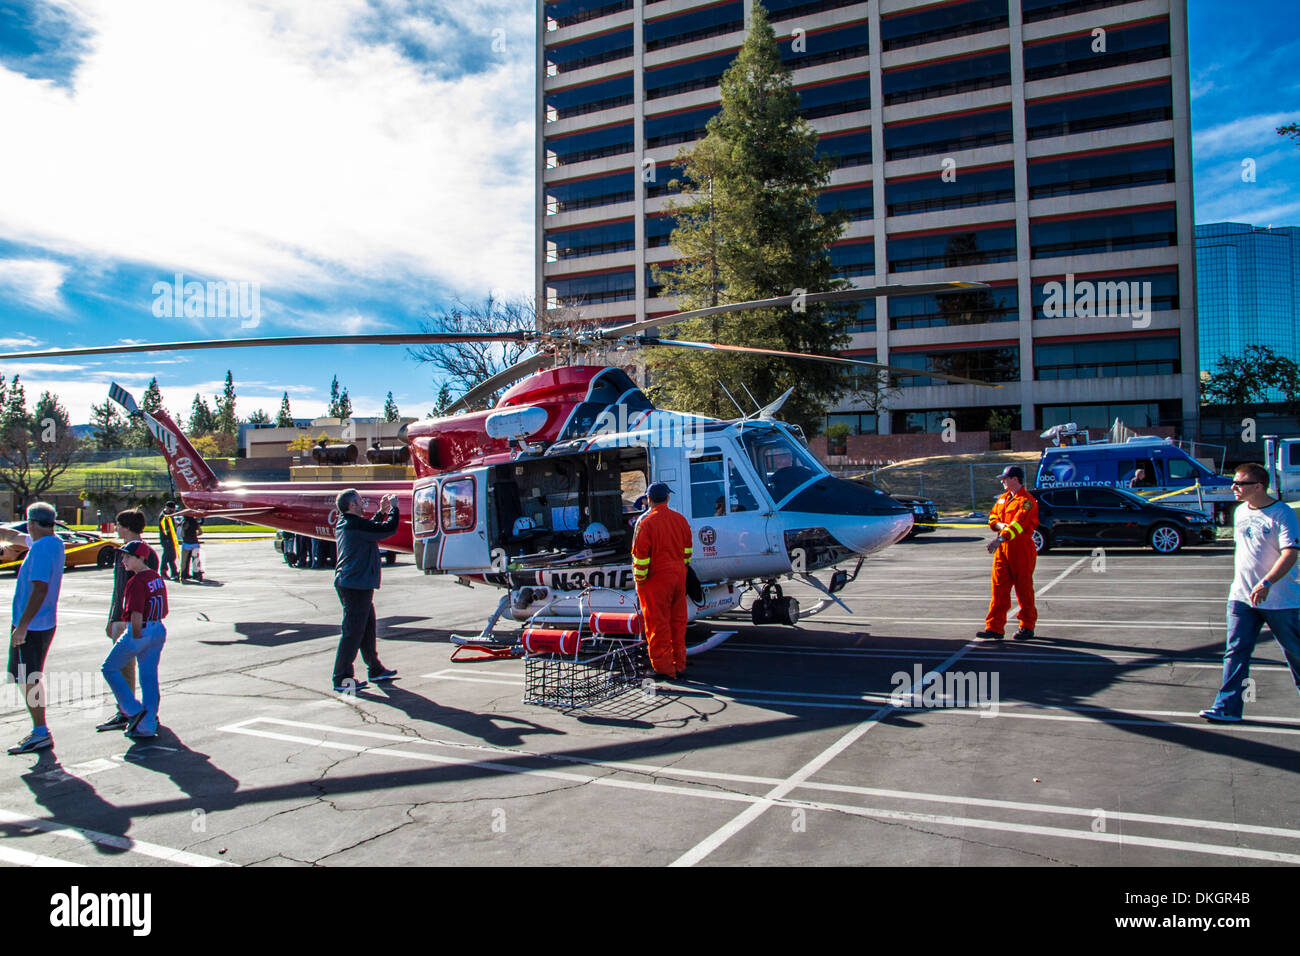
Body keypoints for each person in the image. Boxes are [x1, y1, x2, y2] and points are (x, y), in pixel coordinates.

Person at [1200, 463, 1300, 723]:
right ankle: (1227, 708)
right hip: (1241, 598)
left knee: (1295, 651)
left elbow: (1290, 553)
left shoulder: (1282, 513)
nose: (1233, 487)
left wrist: (1266, 582)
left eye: (1239, 483)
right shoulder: (1240, 512)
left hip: (1280, 600)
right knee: (1236, 652)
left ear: (1258, 486)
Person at [0, 503, 65, 754]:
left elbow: (40, 589)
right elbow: (14, 537)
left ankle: (40, 732)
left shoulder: (40, 549)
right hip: (37, 624)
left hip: (33, 626)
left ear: (31, 523)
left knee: (30, 678)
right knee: (22, 676)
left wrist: (22, 627)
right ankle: (39, 730)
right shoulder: (52, 542)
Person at [97, 513, 161, 733]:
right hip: (136, 619)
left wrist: (123, 621)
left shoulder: (136, 553)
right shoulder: (133, 552)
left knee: (119, 667)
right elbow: (118, 590)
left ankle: (128, 711)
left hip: (132, 619)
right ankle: (147, 715)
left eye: (118, 524)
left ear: (125, 527)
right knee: (146, 672)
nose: (115, 528)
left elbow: (133, 591)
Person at [332, 489, 399, 693]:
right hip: (356, 584)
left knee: (367, 628)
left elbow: (371, 528)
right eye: (361, 501)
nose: (364, 504)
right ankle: (342, 678)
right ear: (352, 505)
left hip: (353, 582)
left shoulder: (346, 522)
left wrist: (381, 512)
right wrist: (395, 509)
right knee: (353, 632)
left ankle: (375, 669)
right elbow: (386, 530)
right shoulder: (355, 524)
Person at [631, 482, 693, 678]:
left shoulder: (645, 523)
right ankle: (679, 664)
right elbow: (688, 552)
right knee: (678, 623)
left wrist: (640, 581)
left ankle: (663, 668)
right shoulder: (680, 520)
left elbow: (640, 558)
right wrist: (680, 570)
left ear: (648, 500)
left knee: (658, 625)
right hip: (678, 577)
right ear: (668, 497)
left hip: (655, 581)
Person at [977, 465, 1038, 641]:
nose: (1002, 481)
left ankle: (1027, 626)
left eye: (1005, 478)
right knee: (999, 589)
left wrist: (1000, 537)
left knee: (1023, 590)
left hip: (1020, 549)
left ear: (1015, 479)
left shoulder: (1027, 501)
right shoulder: (1003, 499)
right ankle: (995, 627)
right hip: (1003, 551)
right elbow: (992, 519)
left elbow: (1019, 525)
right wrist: (1001, 528)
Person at [158, 501, 181, 581]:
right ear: (168, 508)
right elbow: (165, 530)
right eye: (172, 508)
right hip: (166, 539)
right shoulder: (163, 517)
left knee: (172, 556)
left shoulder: (169, 516)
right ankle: (163, 571)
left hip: (170, 538)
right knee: (167, 555)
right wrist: (174, 526)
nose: (174, 510)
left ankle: (174, 572)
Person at [179, 513, 203, 581]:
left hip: (187, 543)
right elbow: (201, 532)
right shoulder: (195, 522)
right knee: (196, 559)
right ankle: (197, 574)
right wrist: (195, 535)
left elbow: (182, 534)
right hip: (195, 543)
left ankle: (183, 575)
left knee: (184, 560)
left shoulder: (185, 523)